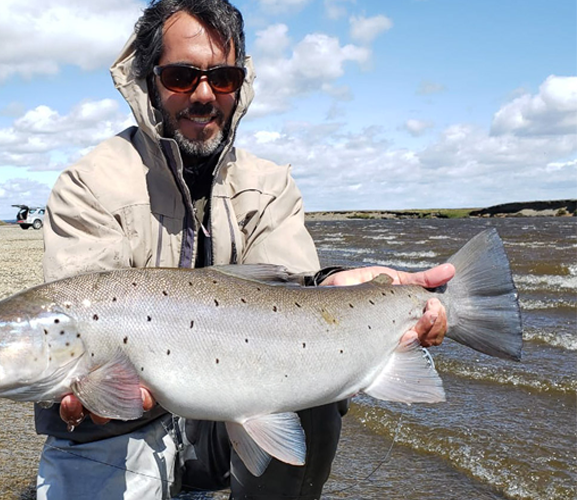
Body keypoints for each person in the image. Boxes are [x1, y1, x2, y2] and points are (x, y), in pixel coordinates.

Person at [35, 0, 453, 498]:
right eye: (181, 76)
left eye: (224, 77)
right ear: (150, 80)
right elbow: (81, 310)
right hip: (121, 410)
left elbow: (294, 287)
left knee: (316, 390)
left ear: (241, 83)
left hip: (228, 401)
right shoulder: (89, 183)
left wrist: (335, 285)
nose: (204, 94)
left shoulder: (271, 184)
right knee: (85, 394)